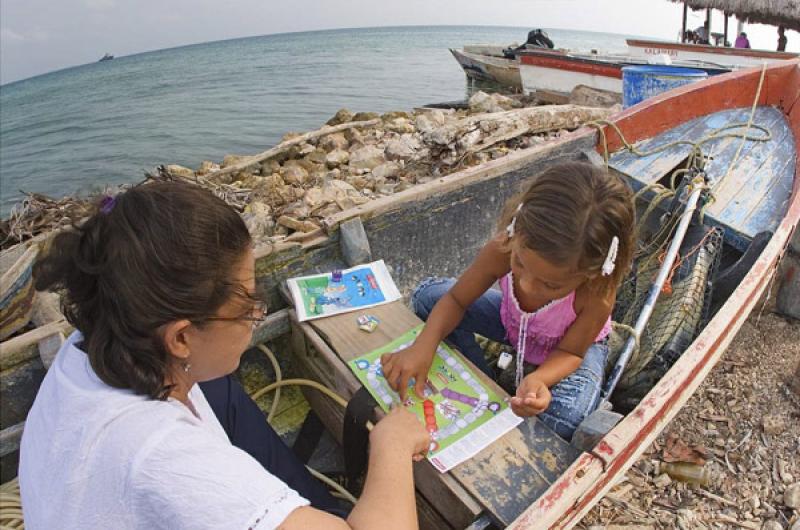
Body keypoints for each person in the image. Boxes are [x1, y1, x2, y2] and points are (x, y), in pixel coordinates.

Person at [19, 181, 429, 530]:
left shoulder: (100, 333)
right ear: (180, 339)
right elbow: (174, 469)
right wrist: (390, 444)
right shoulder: (166, 457)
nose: (256, 313)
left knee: (220, 388)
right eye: (248, 305)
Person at [381, 162, 635, 440]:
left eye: (551, 284)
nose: (527, 284)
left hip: (568, 348)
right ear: (516, 230)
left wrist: (540, 379)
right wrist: (423, 347)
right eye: (520, 264)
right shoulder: (503, 247)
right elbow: (455, 299)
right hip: (512, 322)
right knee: (429, 297)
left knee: (566, 417)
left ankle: (521, 385)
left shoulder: (597, 293)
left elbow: (572, 354)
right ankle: (483, 383)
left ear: (591, 273)